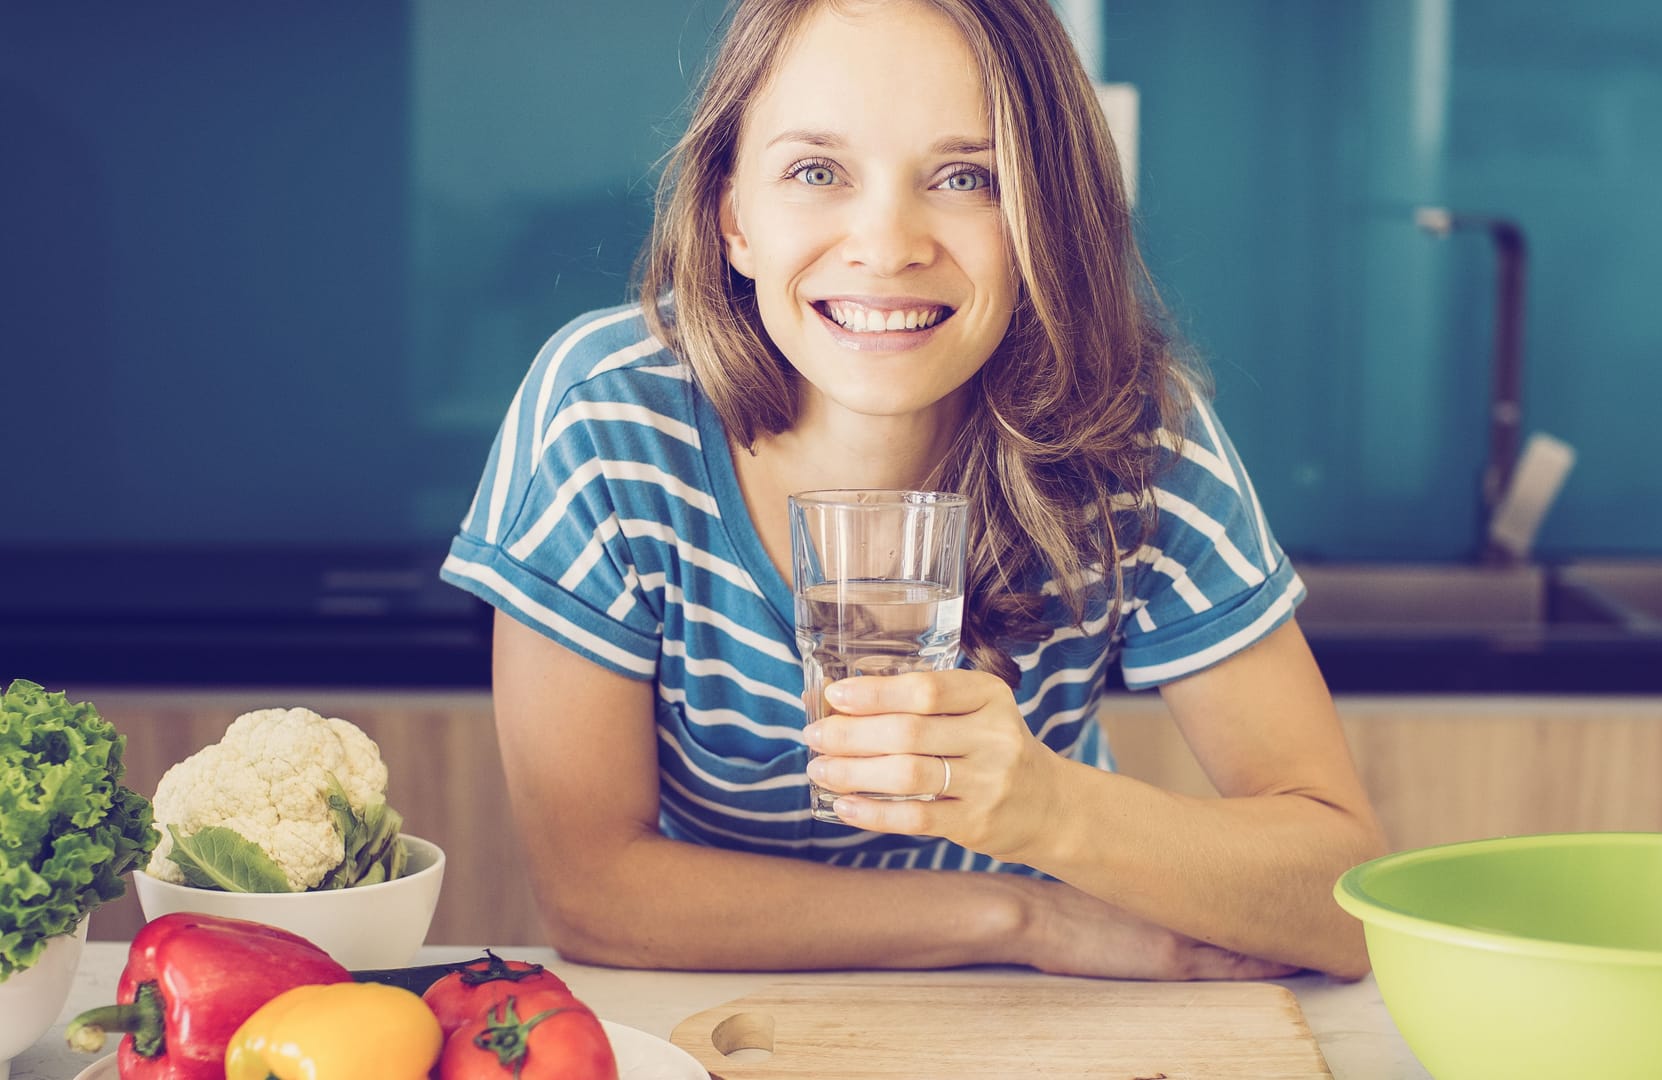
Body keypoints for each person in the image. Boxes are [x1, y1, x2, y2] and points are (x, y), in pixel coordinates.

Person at [441, 0, 1387, 982]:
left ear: (1040, 217)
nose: (887, 244)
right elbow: (596, 897)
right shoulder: (607, 414)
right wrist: (1022, 919)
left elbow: (1348, 905)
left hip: (1055, 1018)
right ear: (734, 220)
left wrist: (1052, 811)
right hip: (767, 1001)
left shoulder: (1132, 433)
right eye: (816, 172)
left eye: (966, 177)